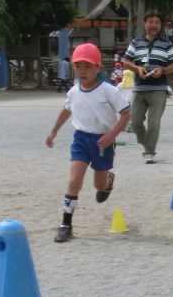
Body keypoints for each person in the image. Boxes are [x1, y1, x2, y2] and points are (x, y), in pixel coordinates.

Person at [45, 43, 130, 243]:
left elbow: (126, 114)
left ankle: (107, 182)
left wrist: (111, 136)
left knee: (98, 185)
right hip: (81, 140)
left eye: (88, 66)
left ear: (98, 68)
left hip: (102, 142)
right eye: (78, 66)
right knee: (74, 182)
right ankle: (66, 223)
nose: (82, 71)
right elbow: (67, 110)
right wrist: (54, 131)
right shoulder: (74, 91)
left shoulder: (109, 91)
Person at [122, 11, 173, 164]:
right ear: (145, 23)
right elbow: (126, 61)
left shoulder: (167, 44)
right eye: (151, 22)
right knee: (134, 122)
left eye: (157, 22)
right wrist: (137, 69)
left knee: (154, 123)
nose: (154, 25)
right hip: (139, 89)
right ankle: (147, 144)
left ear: (160, 26)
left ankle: (149, 152)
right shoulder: (136, 42)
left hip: (158, 89)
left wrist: (163, 70)